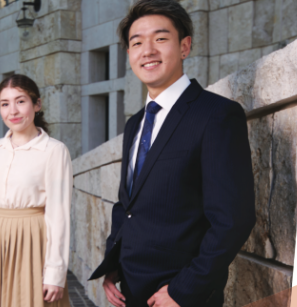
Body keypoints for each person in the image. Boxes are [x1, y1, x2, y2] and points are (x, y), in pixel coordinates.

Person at [89, 1, 256, 307]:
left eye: (160, 38)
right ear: (129, 54)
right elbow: (127, 205)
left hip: (179, 295)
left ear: (184, 46)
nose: (147, 50)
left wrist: (184, 289)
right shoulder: (135, 124)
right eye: (136, 42)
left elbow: (234, 219)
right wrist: (113, 265)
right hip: (131, 290)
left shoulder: (217, 115)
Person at [0, 74, 72, 307]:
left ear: (37, 104)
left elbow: (59, 216)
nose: (12, 111)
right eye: (5, 104)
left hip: (32, 241)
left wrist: (56, 273)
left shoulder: (54, 151)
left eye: (20, 101)